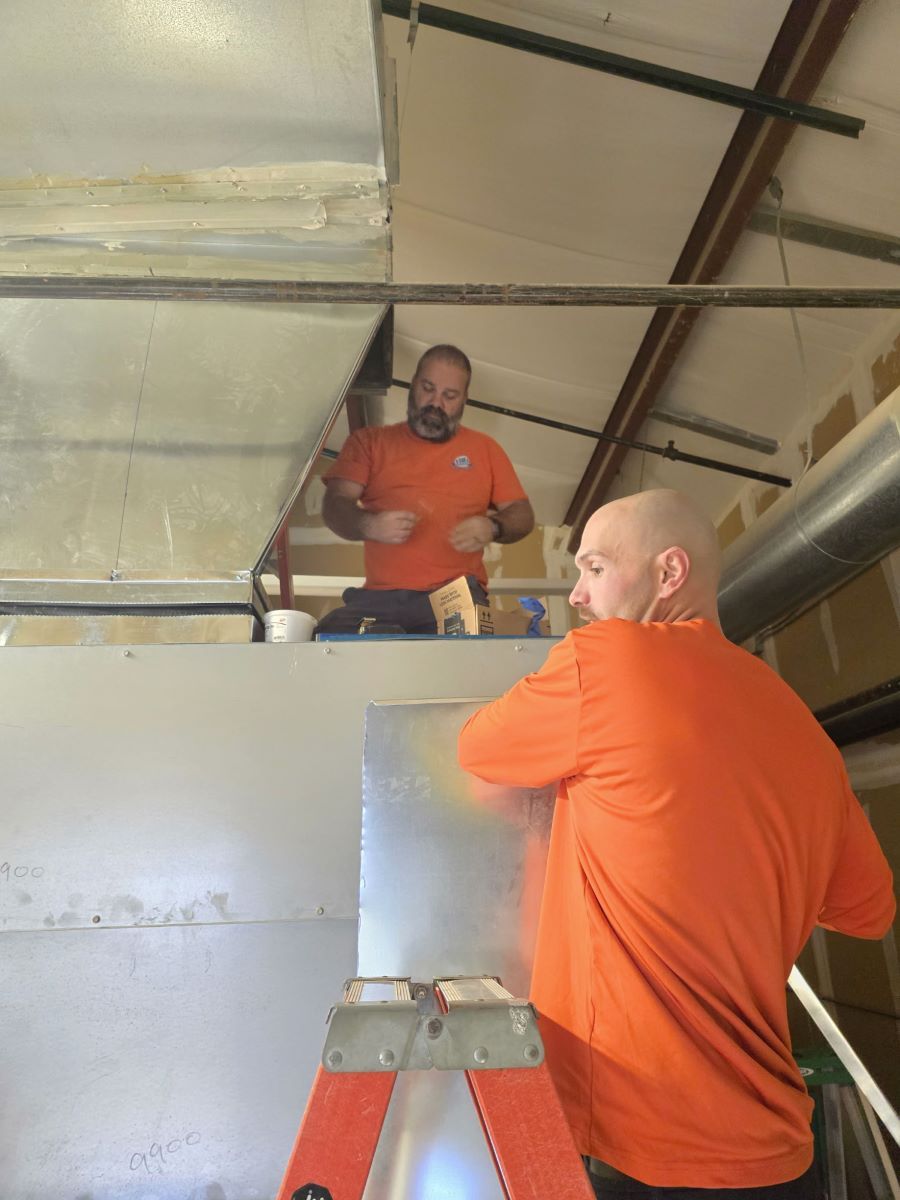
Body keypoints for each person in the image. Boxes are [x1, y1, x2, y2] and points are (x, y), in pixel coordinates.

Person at [457, 488, 895, 1198]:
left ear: (668, 574)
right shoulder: (801, 729)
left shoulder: (605, 662)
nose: (577, 595)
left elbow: (480, 748)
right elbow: (866, 912)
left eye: (595, 568)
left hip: (648, 1149)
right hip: (778, 1155)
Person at [316, 344, 534, 634]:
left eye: (449, 396)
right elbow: (335, 504)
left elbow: (522, 514)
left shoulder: (486, 449)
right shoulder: (369, 442)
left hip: (454, 594)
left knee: (464, 652)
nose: (436, 403)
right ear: (412, 385)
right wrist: (369, 524)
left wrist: (494, 527)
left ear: (464, 400)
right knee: (328, 636)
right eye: (428, 388)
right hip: (379, 600)